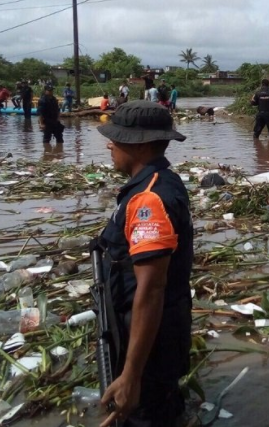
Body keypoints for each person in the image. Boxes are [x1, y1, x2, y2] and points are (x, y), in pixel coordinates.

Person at [96, 101, 191, 426]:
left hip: (150, 338)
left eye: (116, 138)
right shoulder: (160, 181)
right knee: (162, 406)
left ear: (141, 144)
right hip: (153, 332)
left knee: (146, 413)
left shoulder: (149, 199)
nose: (109, 144)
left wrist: (131, 374)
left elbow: (151, 289)